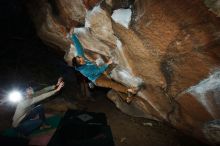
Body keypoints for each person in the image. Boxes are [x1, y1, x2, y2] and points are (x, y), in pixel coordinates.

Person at [70, 33, 142, 103]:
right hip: (97, 80)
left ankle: (128, 96)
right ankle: (130, 90)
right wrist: (107, 63)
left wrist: (72, 35)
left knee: (114, 84)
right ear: (80, 63)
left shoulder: (82, 59)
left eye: (79, 56)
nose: (81, 56)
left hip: (101, 73)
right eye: (80, 58)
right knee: (111, 84)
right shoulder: (84, 71)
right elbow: (98, 71)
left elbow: (78, 47)